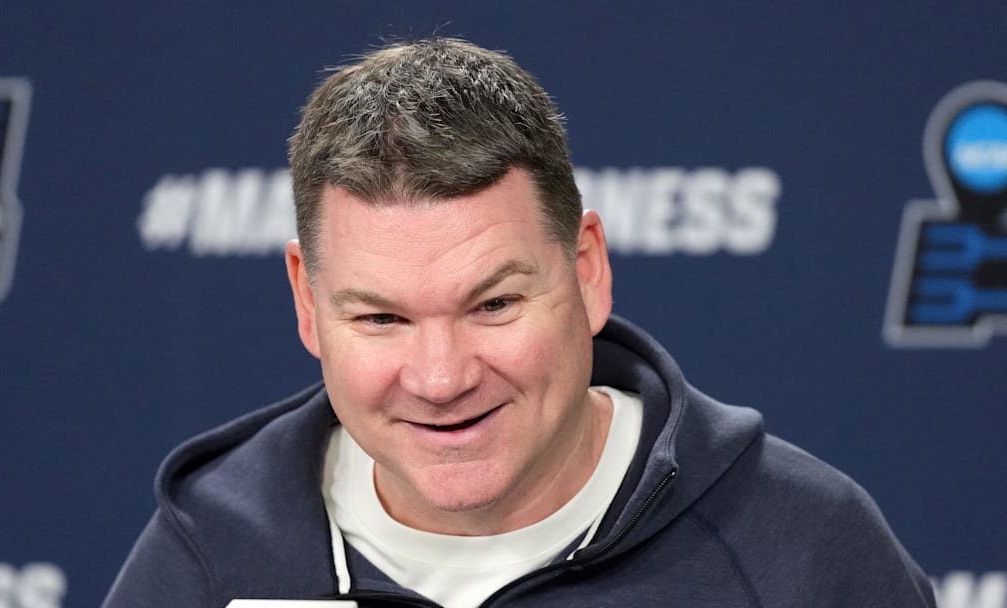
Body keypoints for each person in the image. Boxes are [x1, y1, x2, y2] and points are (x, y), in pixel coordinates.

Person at [103, 38, 936, 608]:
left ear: (586, 269)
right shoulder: (211, 557)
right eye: (382, 317)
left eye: (493, 305)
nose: (441, 378)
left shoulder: (798, 549)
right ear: (306, 303)